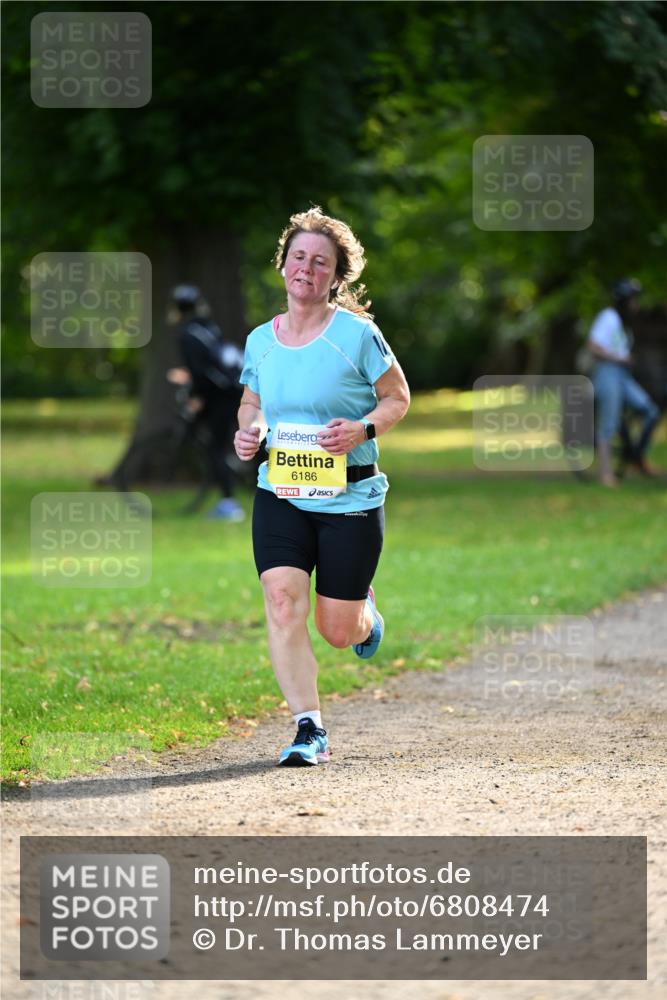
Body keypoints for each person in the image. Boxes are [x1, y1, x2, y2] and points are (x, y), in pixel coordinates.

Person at [234, 208, 410, 766]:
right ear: (284, 264)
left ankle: (365, 616)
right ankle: (308, 728)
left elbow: (398, 398)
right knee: (283, 603)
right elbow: (252, 402)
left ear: (336, 276)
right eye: (299, 257)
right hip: (281, 493)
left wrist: (363, 427)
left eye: (320, 262)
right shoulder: (260, 340)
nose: (306, 268)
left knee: (338, 630)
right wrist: (250, 431)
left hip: (351, 498)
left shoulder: (356, 335)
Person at [168, 284, 246, 521]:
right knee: (220, 443)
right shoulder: (207, 328)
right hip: (232, 390)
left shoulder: (187, 335)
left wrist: (197, 399)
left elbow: (203, 374)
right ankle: (236, 470)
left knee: (216, 448)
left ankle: (229, 504)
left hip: (219, 396)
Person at [588, 278, 660, 487]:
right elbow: (593, 346)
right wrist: (618, 358)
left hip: (622, 375)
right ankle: (605, 473)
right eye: (633, 300)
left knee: (649, 411)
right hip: (607, 373)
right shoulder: (608, 318)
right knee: (609, 423)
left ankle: (639, 458)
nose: (636, 304)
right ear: (624, 301)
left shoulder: (622, 323)